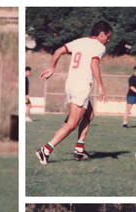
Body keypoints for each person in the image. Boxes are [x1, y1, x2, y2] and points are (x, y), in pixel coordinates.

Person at [36, 21, 111, 164]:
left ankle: (79, 150)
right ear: (101, 34)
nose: (108, 40)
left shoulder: (80, 41)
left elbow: (58, 51)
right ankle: (45, 150)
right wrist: (101, 86)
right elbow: (94, 64)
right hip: (81, 86)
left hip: (70, 84)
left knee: (89, 114)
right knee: (72, 124)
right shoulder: (100, 47)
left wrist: (52, 68)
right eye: (108, 36)